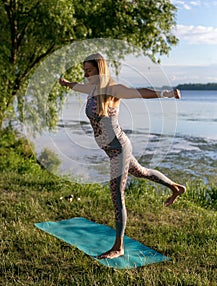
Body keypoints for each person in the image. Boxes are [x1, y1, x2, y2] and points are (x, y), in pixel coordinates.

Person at [59, 53, 186, 259]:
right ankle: (175, 187)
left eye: (89, 71)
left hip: (119, 149)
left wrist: (168, 93)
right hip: (113, 149)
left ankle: (119, 247)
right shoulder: (91, 89)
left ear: (100, 70)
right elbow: (77, 86)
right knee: (141, 171)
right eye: (84, 71)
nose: (85, 74)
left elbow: (139, 93)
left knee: (116, 194)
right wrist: (66, 83)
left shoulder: (112, 89)